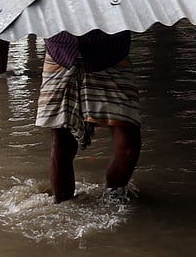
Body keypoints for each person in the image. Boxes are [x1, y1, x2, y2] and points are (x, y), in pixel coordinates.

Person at [35, 28, 141, 203]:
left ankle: (114, 198)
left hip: (111, 53)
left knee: (129, 146)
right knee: (62, 142)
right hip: (62, 52)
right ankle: (63, 206)